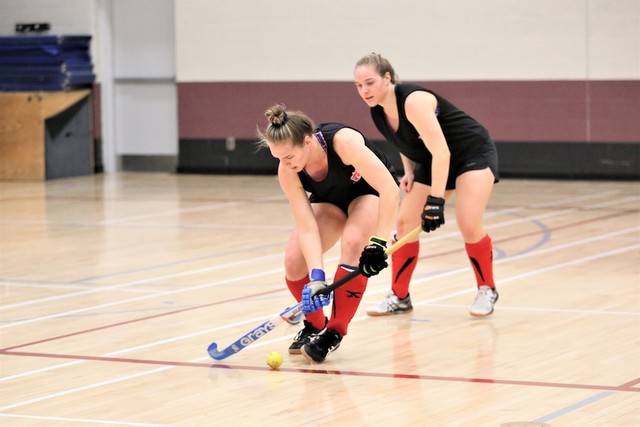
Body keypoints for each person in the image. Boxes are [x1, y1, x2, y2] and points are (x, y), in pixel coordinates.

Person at [353, 52, 500, 317]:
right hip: (434, 160)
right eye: (359, 85)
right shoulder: (378, 111)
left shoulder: (414, 101)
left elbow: (442, 152)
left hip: (470, 153)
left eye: (370, 83)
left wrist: (436, 201)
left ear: (387, 78)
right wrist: (409, 171)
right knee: (405, 223)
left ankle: (487, 288)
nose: (364, 90)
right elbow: (403, 142)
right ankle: (400, 297)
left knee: (468, 222)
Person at [257, 104, 400, 363]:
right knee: (293, 262)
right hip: (331, 201)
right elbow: (307, 226)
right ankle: (314, 324)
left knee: (355, 241)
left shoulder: (343, 142)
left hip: (370, 194)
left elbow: (390, 189)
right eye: (278, 158)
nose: (285, 164)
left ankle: (334, 332)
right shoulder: (287, 171)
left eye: (289, 157)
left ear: (308, 141)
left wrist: (378, 243)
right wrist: (316, 277)